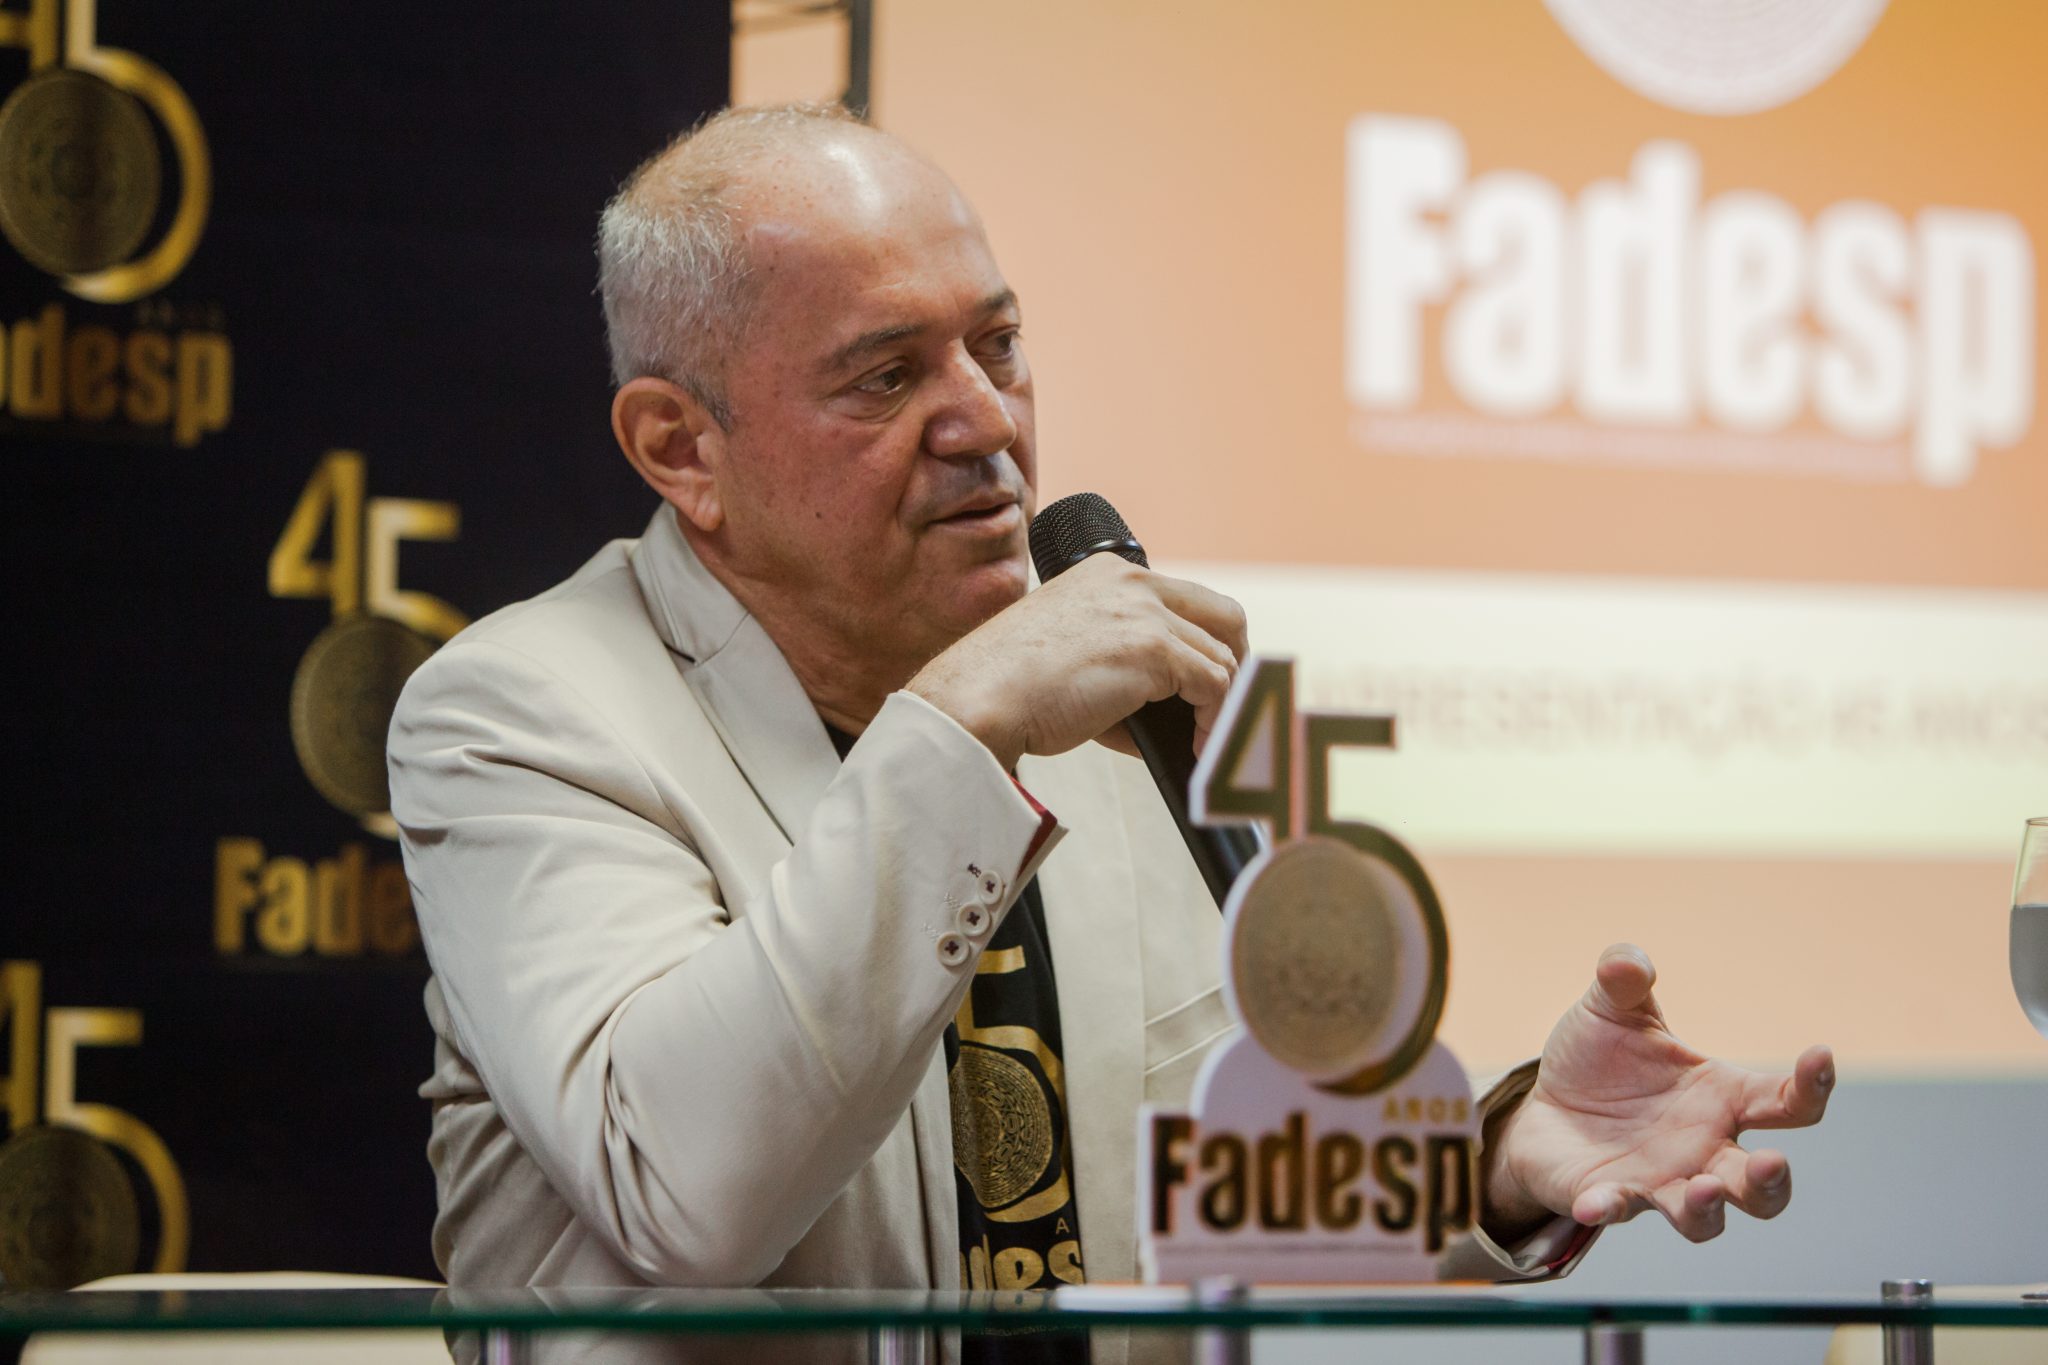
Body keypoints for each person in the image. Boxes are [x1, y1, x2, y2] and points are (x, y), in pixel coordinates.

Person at [387, 102, 1834, 1361]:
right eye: (887, 375)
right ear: (681, 447)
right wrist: (961, 723)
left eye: (999, 344)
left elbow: (1254, 1188)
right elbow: (690, 1195)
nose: (986, 422)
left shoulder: (1133, 696)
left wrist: (1507, 1159)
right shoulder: (520, 712)